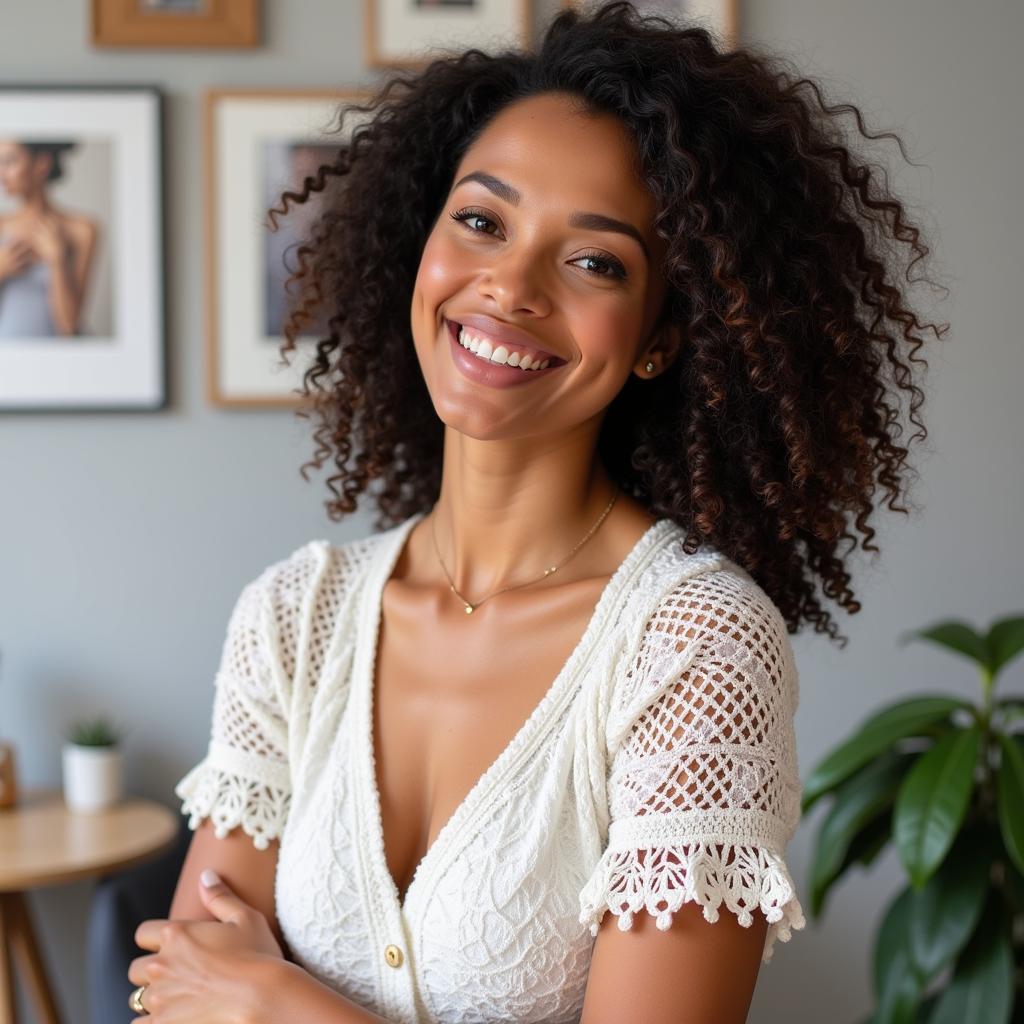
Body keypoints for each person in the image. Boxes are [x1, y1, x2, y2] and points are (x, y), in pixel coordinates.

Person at [127, 3, 947, 1021]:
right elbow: (180, 996)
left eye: (595, 260)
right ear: (418, 247)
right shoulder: (293, 616)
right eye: (480, 220)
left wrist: (277, 1002)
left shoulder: (691, 645)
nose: (508, 284)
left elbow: (226, 997)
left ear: (660, 334)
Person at [0, 139, 99, 338]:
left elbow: (69, 326)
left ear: (42, 163)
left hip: (58, 362)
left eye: (9, 162)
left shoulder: (81, 230)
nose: (2, 174)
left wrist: (57, 260)